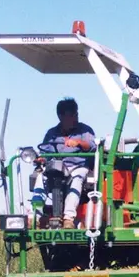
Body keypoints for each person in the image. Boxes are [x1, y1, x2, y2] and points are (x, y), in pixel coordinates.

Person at [41, 97, 97, 229]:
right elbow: (45, 152)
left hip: (78, 166)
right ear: (60, 116)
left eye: (76, 114)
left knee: (77, 179)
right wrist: (41, 159)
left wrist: (78, 143)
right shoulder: (51, 133)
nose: (75, 117)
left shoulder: (85, 130)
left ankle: (68, 219)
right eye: (71, 115)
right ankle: (36, 216)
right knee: (40, 177)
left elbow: (92, 146)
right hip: (58, 167)